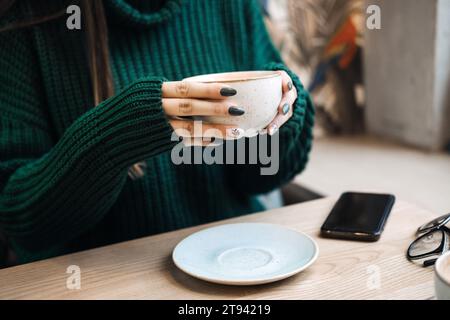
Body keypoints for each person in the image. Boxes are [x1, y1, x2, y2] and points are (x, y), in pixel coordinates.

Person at [0, 0, 314, 264]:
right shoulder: (31, 20)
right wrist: (118, 133)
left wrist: (281, 116)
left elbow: (257, 178)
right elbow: (23, 221)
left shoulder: (229, 5)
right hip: (101, 280)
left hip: (237, 263)